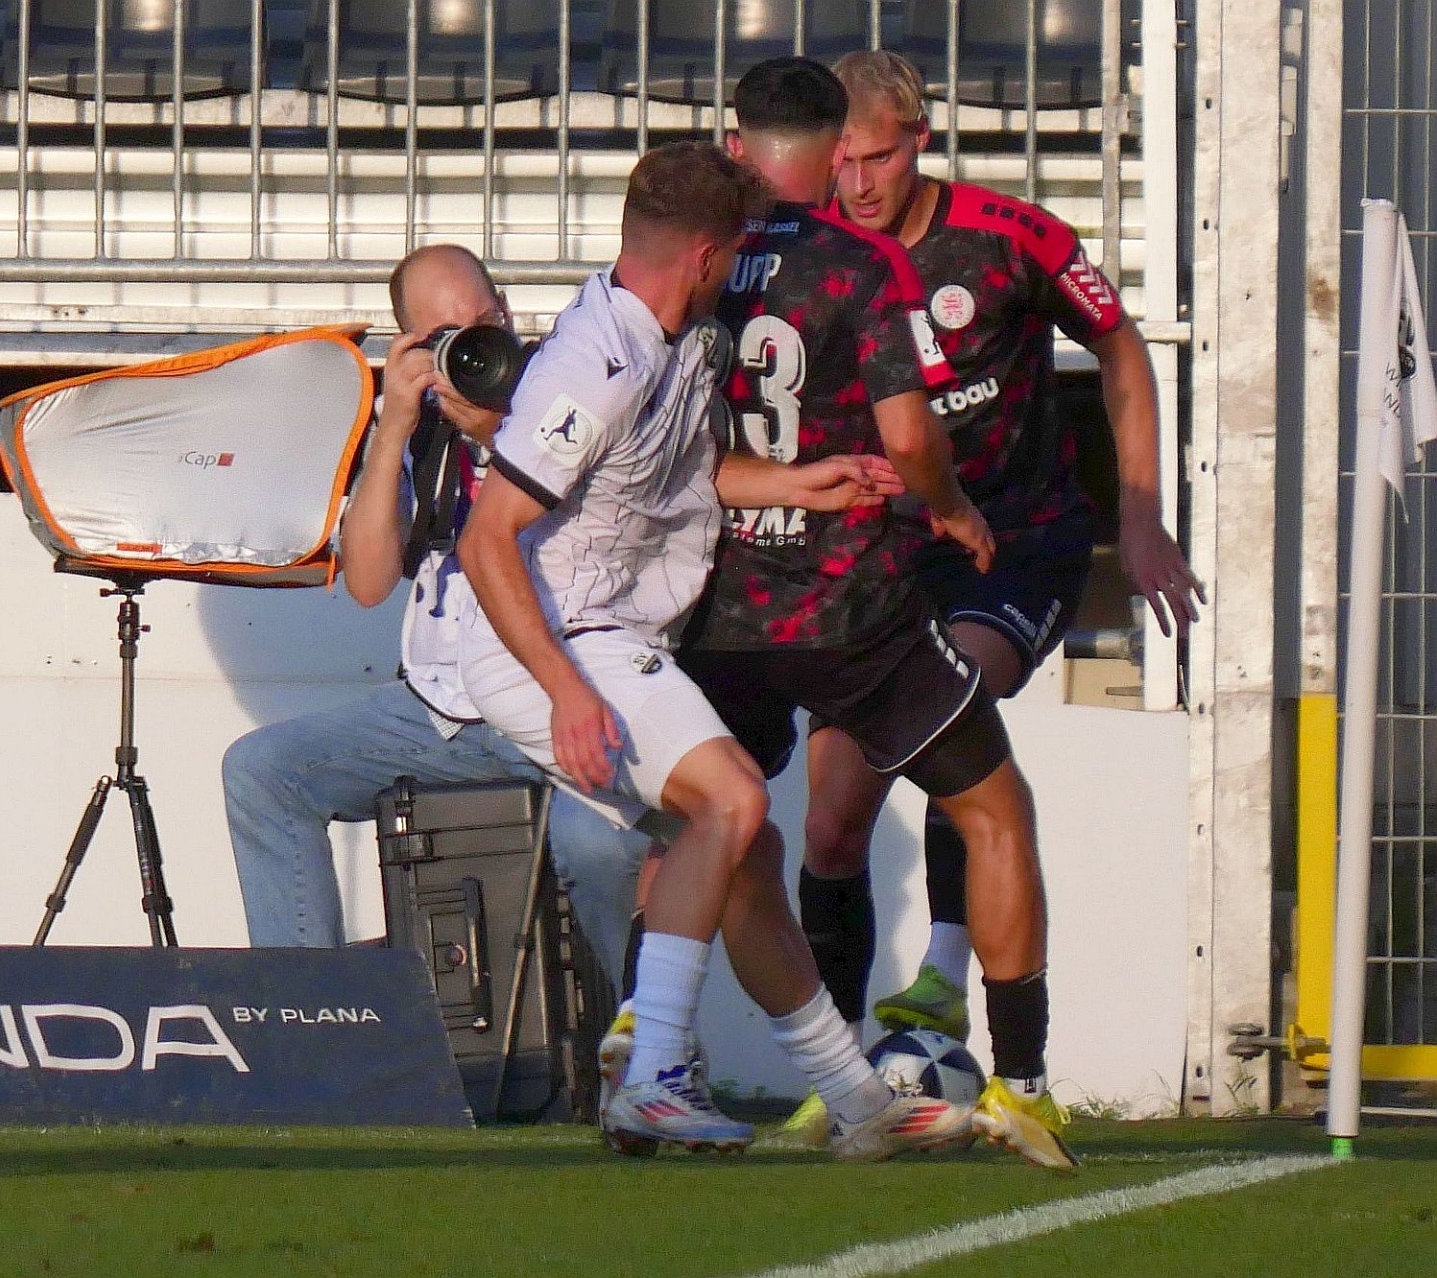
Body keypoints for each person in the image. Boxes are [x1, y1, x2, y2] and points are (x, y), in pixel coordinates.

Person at [459, 140, 972, 1162]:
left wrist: (803, 482)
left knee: (749, 852)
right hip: (553, 643)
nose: (736, 270)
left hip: (607, 638)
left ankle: (856, 1103)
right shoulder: (594, 365)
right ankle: (653, 1075)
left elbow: (685, 477)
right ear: (704, 256)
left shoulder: (677, 341)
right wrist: (565, 690)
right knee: (734, 798)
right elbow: (487, 538)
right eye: (732, 253)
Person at [669, 57, 1077, 1168]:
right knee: (994, 809)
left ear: (739, 143)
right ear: (828, 145)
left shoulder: (695, 262)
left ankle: (676, 1053)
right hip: (851, 608)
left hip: (724, 607)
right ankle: (1024, 1086)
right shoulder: (856, 264)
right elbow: (907, 437)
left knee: (726, 828)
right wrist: (951, 507)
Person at [779, 48, 1204, 1105]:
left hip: (1014, 538)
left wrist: (1140, 513)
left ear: (921, 140)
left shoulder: (1011, 238)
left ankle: (952, 984)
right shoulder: (810, 251)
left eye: (879, 160)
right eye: (841, 163)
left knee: (952, 696)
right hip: (875, 554)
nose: (857, 185)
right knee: (831, 819)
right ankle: (837, 1078)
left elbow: (1122, 349)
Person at [220, 244, 654, 978]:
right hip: (434, 713)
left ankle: (621, 1035)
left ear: (507, 314)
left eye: (486, 323)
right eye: (450, 338)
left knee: (600, 843)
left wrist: (491, 431)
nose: (478, 350)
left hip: (549, 704)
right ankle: (311, 1015)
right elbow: (367, 583)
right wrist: (392, 425)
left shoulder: (568, 400)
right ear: (415, 346)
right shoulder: (420, 431)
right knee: (262, 771)